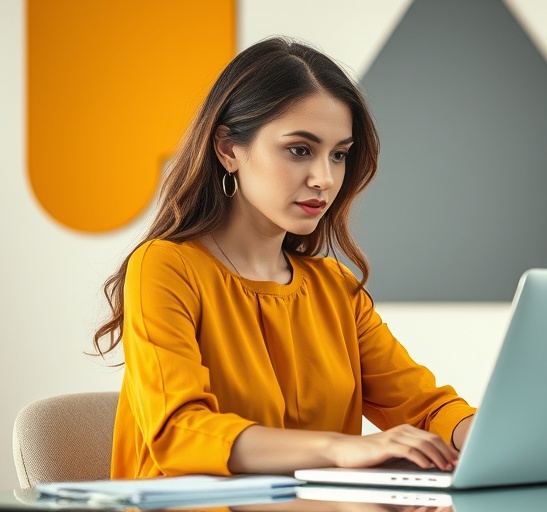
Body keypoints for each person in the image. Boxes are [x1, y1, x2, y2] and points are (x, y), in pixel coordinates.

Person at [93, 37, 476, 479]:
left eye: (339, 155)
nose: (325, 179)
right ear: (228, 149)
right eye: (300, 150)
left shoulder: (335, 287)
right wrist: (339, 449)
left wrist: (492, 434)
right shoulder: (165, 268)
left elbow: (426, 409)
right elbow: (180, 432)